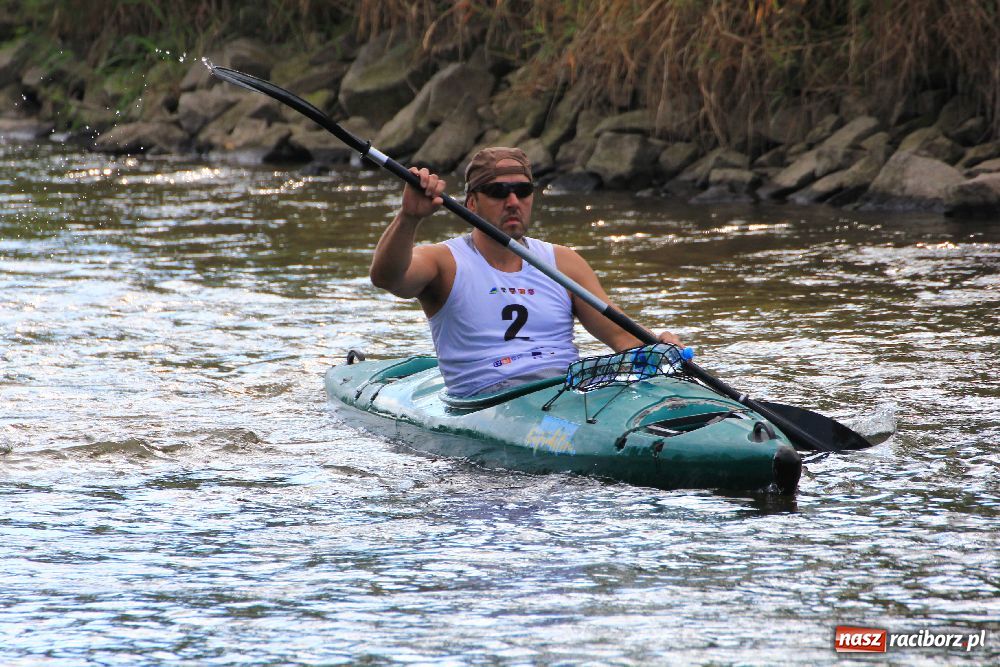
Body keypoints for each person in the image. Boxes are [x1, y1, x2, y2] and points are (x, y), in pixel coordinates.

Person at [370, 146, 682, 397]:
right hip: (487, 400)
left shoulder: (563, 263)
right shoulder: (443, 261)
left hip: (566, 392)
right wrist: (408, 218)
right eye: (498, 191)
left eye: (522, 190)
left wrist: (659, 347)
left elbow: (622, 337)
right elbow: (387, 278)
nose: (513, 201)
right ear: (471, 203)